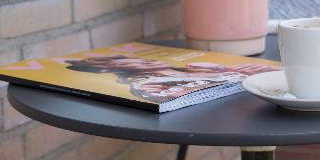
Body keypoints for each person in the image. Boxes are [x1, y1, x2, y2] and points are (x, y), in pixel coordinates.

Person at [66, 54, 276, 103]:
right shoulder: (148, 84)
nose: (145, 62)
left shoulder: (193, 65)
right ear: (105, 72)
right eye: (121, 63)